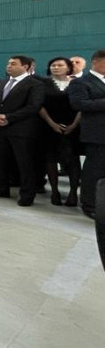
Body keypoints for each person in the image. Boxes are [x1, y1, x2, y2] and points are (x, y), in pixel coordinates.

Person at [0, 55, 45, 205]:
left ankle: (27, 194)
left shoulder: (35, 84)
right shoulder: (1, 82)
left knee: (24, 163)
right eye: (8, 63)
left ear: (25, 67)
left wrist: (9, 117)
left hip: (21, 130)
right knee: (0, 161)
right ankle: (1, 188)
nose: (9, 66)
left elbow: (33, 106)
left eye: (13, 64)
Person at [67, 49, 105, 220]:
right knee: (94, 171)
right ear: (96, 62)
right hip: (97, 134)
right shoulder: (81, 82)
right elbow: (79, 104)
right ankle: (89, 204)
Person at [39, 57, 81, 206]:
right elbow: (39, 105)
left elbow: (82, 105)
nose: (56, 67)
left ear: (68, 68)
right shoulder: (43, 83)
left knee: (73, 160)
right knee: (50, 159)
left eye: (60, 65)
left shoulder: (77, 83)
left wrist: (74, 125)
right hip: (49, 126)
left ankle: (73, 193)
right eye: (53, 65)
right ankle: (55, 191)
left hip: (73, 126)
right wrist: (52, 124)